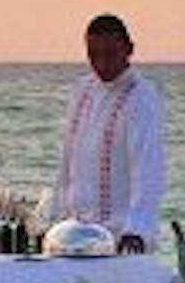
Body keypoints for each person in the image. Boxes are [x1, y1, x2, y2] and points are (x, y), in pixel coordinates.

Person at [52, 13, 165, 254]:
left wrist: (137, 229)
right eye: (93, 55)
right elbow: (68, 161)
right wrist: (55, 218)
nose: (102, 64)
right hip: (73, 237)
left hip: (120, 238)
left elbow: (147, 169)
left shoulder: (141, 98)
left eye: (110, 54)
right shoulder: (83, 90)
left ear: (129, 49)